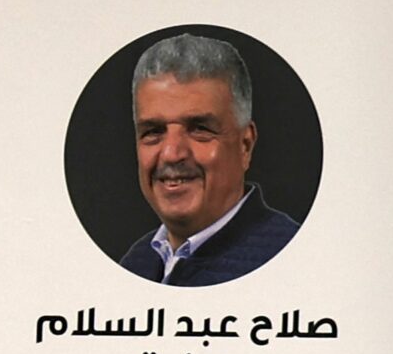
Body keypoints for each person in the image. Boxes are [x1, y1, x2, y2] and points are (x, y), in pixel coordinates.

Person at [118, 33, 300, 285]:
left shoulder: (291, 262)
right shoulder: (138, 261)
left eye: (199, 129)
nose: (172, 153)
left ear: (245, 145)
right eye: (153, 132)